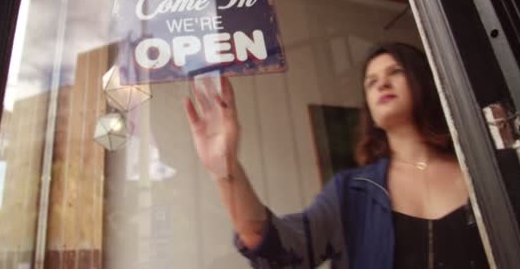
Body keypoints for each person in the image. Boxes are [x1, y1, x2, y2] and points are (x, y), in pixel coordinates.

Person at [183, 42, 489, 269]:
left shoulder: (485, 173)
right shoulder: (350, 192)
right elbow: (275, 249)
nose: (381, 83)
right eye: (371, 82)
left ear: (424, 83)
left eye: (395, 72)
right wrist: (225, 167)